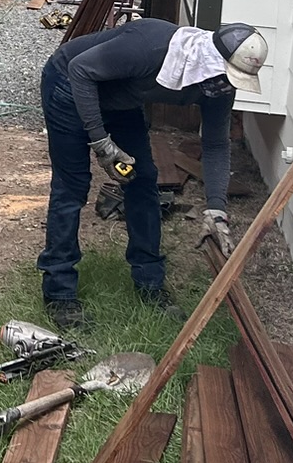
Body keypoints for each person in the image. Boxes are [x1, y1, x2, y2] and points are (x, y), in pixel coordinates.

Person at [37, 19, 267, 326]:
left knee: (143, 181)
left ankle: (150, 284)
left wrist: (216, 209)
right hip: (69, 84)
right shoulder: (152, 47)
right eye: (226, 76)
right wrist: (101, 141)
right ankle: (59, 292)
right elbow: (80, 70)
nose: (226, 86)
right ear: (210, 60)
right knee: (72, 186)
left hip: (121, 100)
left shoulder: (218, 85)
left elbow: (215, 143)